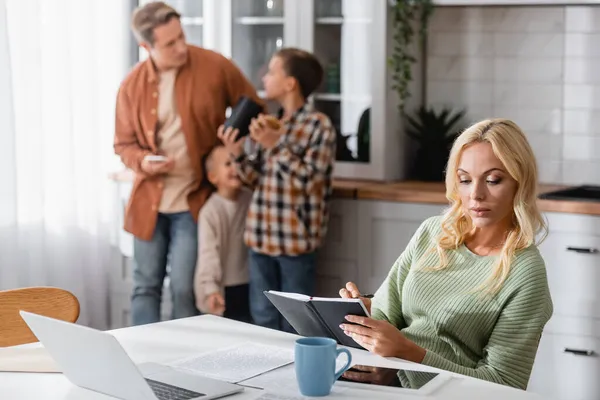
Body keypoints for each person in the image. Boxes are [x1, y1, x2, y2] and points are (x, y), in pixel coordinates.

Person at [338, 118, 553, 390]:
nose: (476, 194)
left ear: (519, 183)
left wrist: (406, 355)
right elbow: (386, 313)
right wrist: (358, 314)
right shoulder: (433, 232)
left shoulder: (525, 272)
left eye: (493, 180)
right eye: (465, 180)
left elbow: (504, 385)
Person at [113, 1, 262, 326]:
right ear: (146, 46)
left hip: (194, 200)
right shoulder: (131, 85)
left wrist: (232, 136)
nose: (182, 47)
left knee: (185, 289)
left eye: (181, 36)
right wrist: (143, 161)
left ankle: (183, 365)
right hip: (150, 202)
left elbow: (253, 103)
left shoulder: (213, 66)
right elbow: (122, 145)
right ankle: (142, 359)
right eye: (170, 44)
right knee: (145, 287)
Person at [218, 48, 336, 332]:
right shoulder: (270, 124)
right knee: (262, 318)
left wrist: (276, 145)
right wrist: (236, 154)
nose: (264, 77)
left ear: (290, 83)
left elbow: (311, 181)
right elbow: (255, 178)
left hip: (295, 242)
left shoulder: (318, 126)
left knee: (297, 323)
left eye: (272, 72)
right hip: (260, 238)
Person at [194, 145, 253, 323]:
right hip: (221, 288)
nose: (235, 168)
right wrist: (211, 289)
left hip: (248, 284)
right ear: (213, 177)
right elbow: (208, 253)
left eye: (237, 162)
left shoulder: (250, 199)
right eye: (228, 164)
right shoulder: (210, 211)